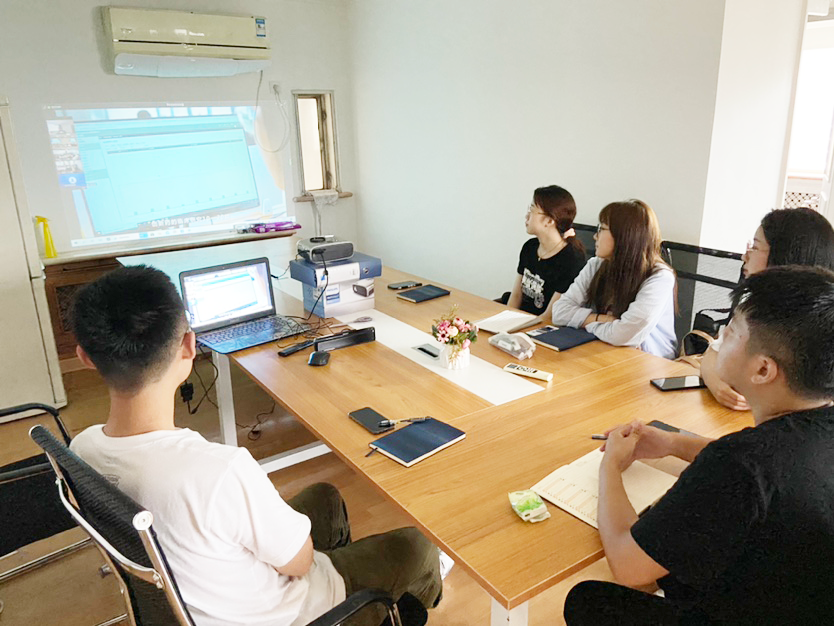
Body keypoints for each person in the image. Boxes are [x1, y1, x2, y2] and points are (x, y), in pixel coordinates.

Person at [69, 265, 441, 626]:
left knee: (325, 497)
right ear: (189, 346)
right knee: (418, 547)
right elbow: (299, 564)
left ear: (84, 356)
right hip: (294, 613)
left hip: (199, 593)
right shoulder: (218, 471)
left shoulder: (82, 450)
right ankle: (382, 610)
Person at [564, 266, 834, 625]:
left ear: (763, 370)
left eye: (732, 331)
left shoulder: (738, 463)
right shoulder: (806, 429)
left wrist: (611, 466)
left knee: (587, 600)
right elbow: (769, 472)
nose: (719, 336)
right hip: (799, 597)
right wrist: (673, 443)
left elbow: (628, 566)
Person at [701, 207, 834, 410]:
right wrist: (718, 386)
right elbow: (713, 351)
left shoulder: (820, 326)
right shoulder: (757, 307)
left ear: (784, 255)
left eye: (755, 247)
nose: (744, 256)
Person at [551, 199, 676, 359]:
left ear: (624, 235)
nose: (595, 236)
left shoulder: (659, 278)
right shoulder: (596, 265)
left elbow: (622, 334)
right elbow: (559, 312)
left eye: (601, 229)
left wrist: (588, 324)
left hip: (650, 361)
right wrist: (604, 320)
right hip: (606, 348)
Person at [506, 185, 586, 318]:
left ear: (549, 221)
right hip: (519, 319)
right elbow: (516, 296)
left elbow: (548, 316)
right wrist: (504, 321)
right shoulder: (530, 247)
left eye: (532, 210)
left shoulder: (571, 259)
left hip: (542, 325)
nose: (526, 216)